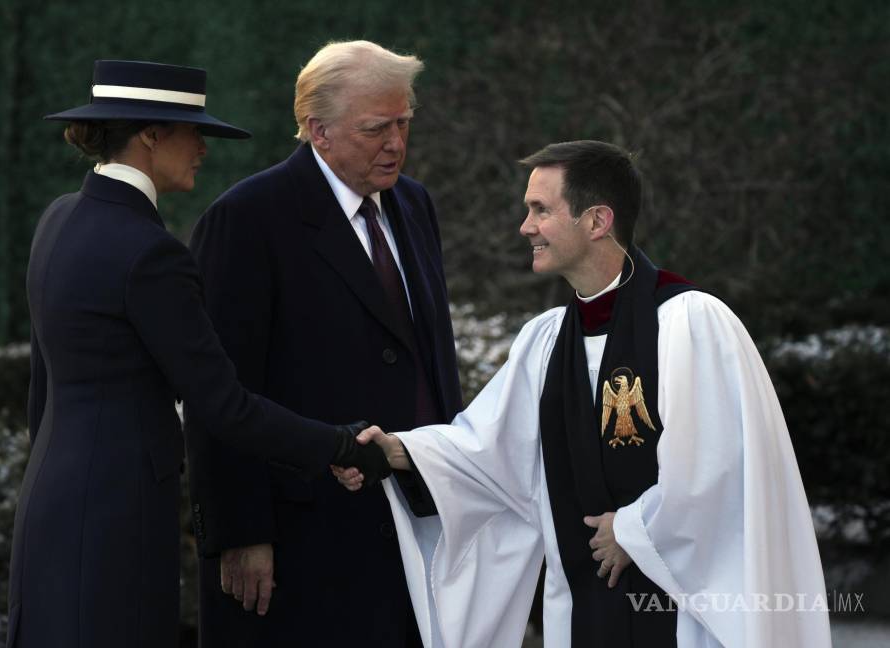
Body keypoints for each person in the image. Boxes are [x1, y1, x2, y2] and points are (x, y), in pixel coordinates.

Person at [336, 141, 831, 648]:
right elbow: (488, 451)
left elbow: (722, 469)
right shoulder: (546, 340)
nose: (525, 226)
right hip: (584, 612)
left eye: (541, 210)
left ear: (596, 222)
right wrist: (397, 450)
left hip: (681, 615)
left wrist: (636, 531)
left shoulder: (690, 322)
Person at [7, 59, 388, 648]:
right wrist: (339, 444)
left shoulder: (58, 219)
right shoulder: (150, 253)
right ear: (151, 135)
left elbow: (44, 388)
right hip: (117, 518)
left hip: (47, 507)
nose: (202, 149)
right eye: (193, 132)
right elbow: (224, 405)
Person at [187, 41, 462, 647]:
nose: (395, 143)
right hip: (301, 537)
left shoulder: (414, 205)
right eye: (375, 129)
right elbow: (219, 393)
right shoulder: (248, 219)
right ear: (318, 130)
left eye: (403, 124)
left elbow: (429, 361)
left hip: (416, 520)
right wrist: (240, 532)